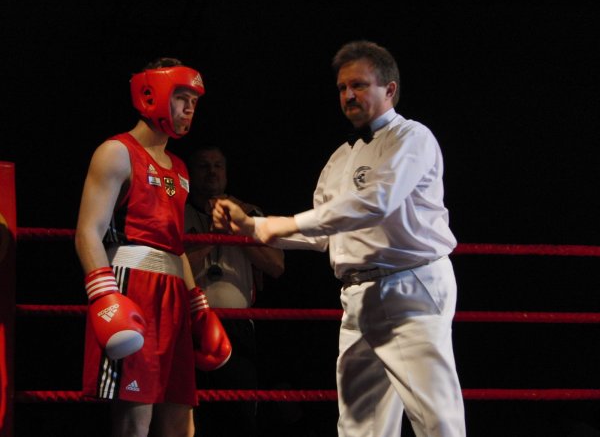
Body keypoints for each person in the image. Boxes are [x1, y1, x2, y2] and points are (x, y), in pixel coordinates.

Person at [212, 41, 466, 437]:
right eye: (343, 87)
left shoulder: (412, 138)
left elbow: (376, 203)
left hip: (409, 285)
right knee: (359, 423)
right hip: (357, 294)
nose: (348, 95)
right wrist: (254, 228)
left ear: (390, 89)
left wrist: (280, 225)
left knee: (435, 417)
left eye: (359, 85)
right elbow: (323, 235)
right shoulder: (338, 159)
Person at [74, 57, 231, 437]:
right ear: (151, 94)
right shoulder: (116, 152)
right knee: (135, 419)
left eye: (194, 101)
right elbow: (87, 231)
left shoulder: (179, 167)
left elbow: (175, 246)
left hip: (173, 293)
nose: (189, 108)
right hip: (131, 287)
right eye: (181, 97)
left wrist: (198, 305)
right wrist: (104, 296)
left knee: (181, 417)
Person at [184, 144, 284, 437]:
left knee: (240, 416)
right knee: (192, 416)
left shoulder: (249, 214)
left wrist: (238, 231)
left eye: (218, 166)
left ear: (226, 173)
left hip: (237, 326)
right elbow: (173, 267)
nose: (212, 172)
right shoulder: (176, 212)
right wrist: (212, 237)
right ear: (191, 173)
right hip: (189, 323)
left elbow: (276, 266)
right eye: (204, 166)